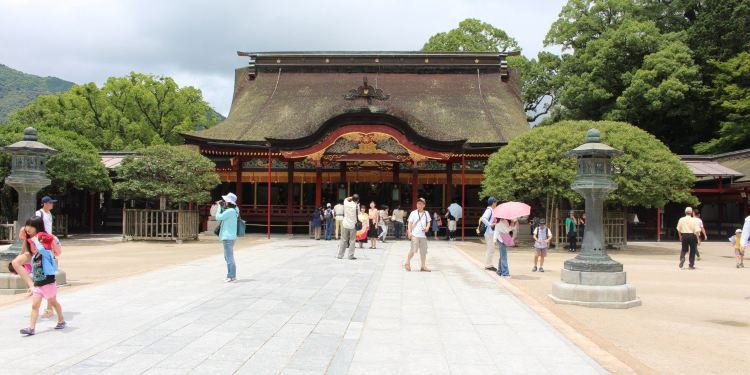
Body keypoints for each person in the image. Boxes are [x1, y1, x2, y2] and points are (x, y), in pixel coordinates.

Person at [13, 216, 66, 335]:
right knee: (35, 306)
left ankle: (61, 320)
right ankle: (31, 328)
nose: (28, 228)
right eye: (27, 225)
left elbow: (43, 249)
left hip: (48, 282)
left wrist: (37, 240)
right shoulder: (34, 257)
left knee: (54, 303)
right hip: (38, 283)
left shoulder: (46, 253)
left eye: (31, 226)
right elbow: (32, 265)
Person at [215, 192, 239, 282]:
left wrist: (218, 207)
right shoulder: (235, 210)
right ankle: (231, 275)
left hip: (227, 237)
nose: (224, 202)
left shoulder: (230, 211)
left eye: (225, 201)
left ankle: (231, 276)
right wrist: (222, 207)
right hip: (231, 236)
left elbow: (218, 217)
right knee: (227, 256)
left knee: (229, 257)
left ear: (229, 202)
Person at [404, 197, 431, 272]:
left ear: (424, 205)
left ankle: (423, 266)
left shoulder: (426, 213)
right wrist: (409, 232)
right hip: (415, 234)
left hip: (423, 235)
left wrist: (427, 227)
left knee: (423, 251)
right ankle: (407, 262)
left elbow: (429, 221)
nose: (419, 205)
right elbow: (409, 223)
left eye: (421, 204)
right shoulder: (413, 213)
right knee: (413, 249)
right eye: (418, 203)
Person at [337, 195, 359, 260]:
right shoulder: (356, 206)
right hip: (352, 225)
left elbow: (346, 198)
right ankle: (350, 256)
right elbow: (358, 215)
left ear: (352, 199)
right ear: (357, 200)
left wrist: (352, 197)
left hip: (345, 224)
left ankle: (340, 255)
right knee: (352, 240)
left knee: (343, 240)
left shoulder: (346, 203)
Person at [482, 197, 498, 271]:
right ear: (493, 203)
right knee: (490, 249)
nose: (496, 203)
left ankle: (489, 264)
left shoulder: (491, 210)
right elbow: (483, 218)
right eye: (495, 202)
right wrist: (490, 224)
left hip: (490, 232)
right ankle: (488, 265)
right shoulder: (489, 210)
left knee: (491, 249)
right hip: (489, 232)